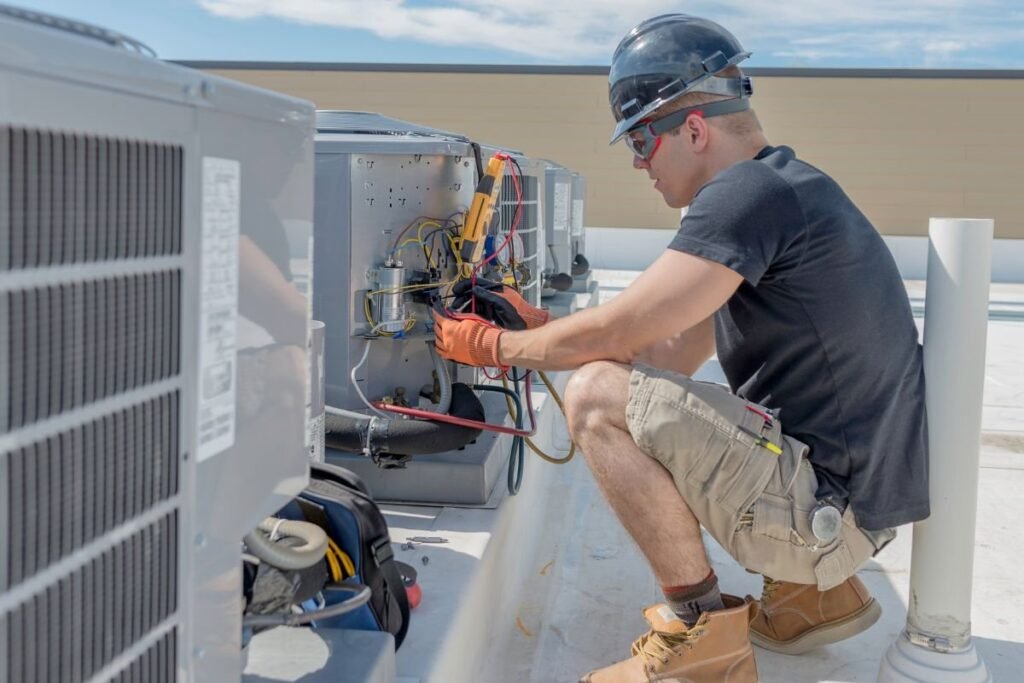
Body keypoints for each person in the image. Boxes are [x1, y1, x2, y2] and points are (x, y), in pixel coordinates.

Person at [434, 14, 929, 683]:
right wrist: (544, 326)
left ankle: (702, 637)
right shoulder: (786, 188)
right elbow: (664, 350)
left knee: (594, 399)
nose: (638, 162)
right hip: (849, 504)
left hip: (826, 514)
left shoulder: (745, 194)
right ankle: (813, 598)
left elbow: (623, 332)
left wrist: (498, 344)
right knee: (625, 389)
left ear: (694, 130)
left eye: (641, 139)